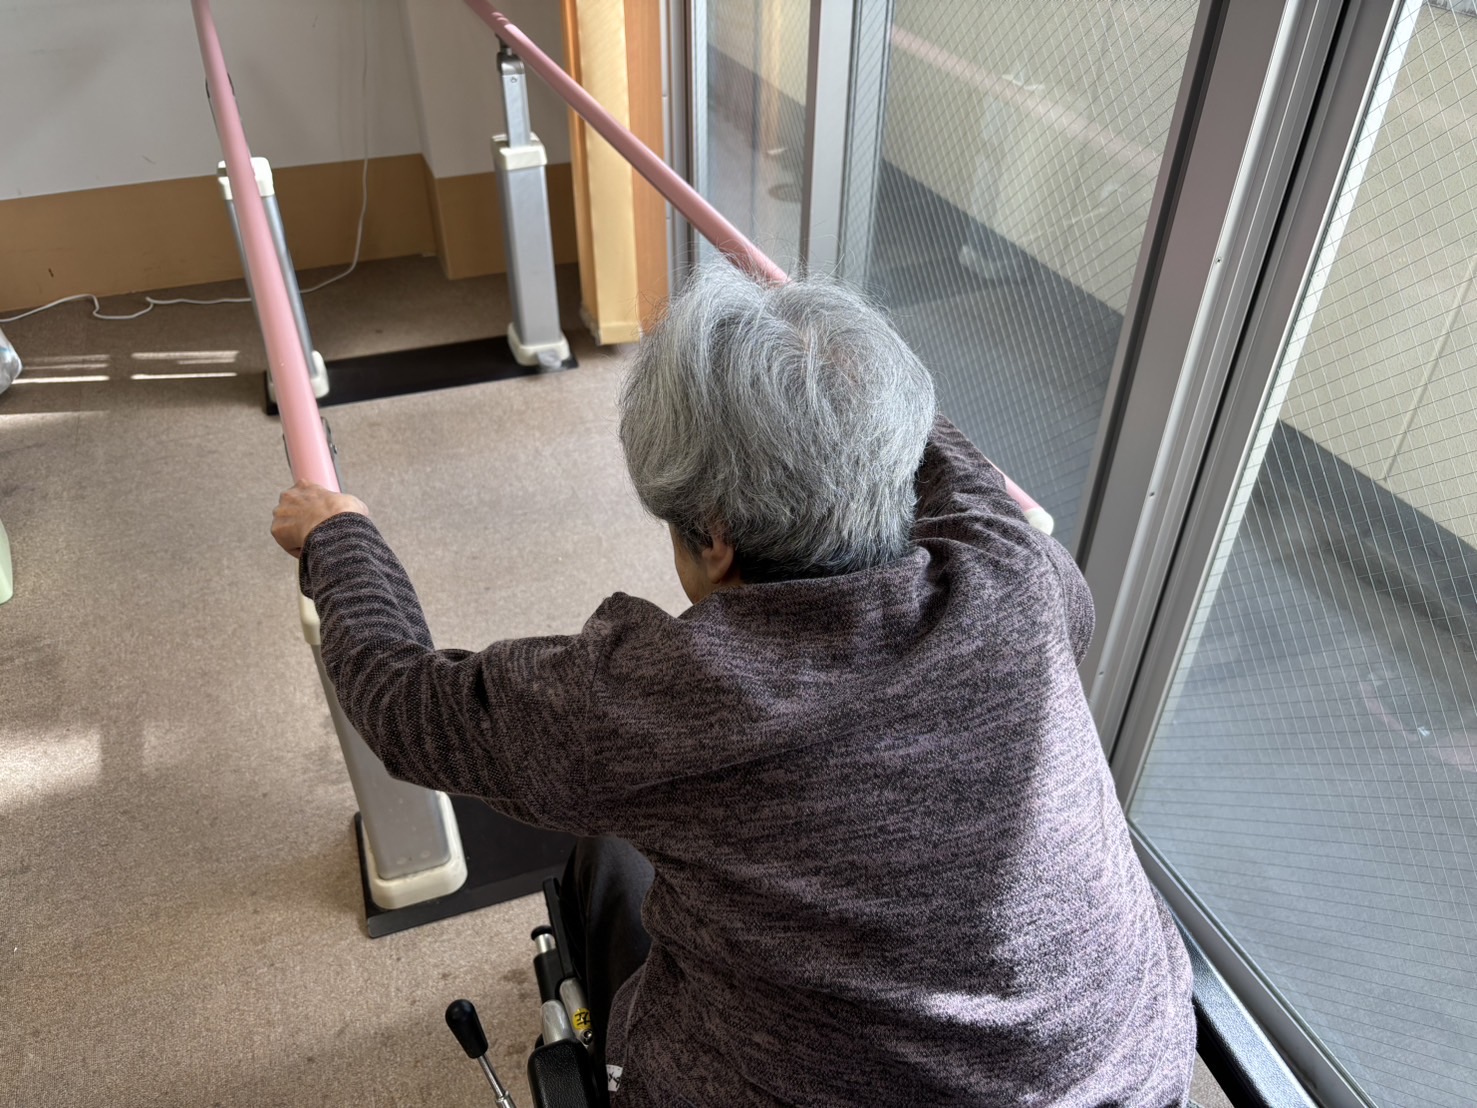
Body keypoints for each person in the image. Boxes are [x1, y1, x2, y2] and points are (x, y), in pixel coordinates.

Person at [272, 262, 1195, 1106]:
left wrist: (336, 535)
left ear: (713, 536)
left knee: (612, 864)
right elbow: (936, 449)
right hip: (1129, 1078)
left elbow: (401, 702)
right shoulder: (1015, 577)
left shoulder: (659, 706)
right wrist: (822, 372)